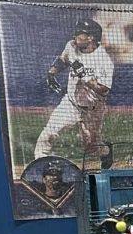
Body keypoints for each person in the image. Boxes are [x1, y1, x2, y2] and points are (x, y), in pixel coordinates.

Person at [33, 19, 116, 170]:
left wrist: (84, 76)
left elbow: (104, 90)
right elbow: (63, 60)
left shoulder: (104, 60)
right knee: (49, 133)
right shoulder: (71, 46)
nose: (75, 35)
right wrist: (51, 74)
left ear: (90, 37)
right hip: (70, 103)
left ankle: (106, 150)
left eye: (79, 33)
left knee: (91, 146)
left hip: (93, 109)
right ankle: (39, 165)